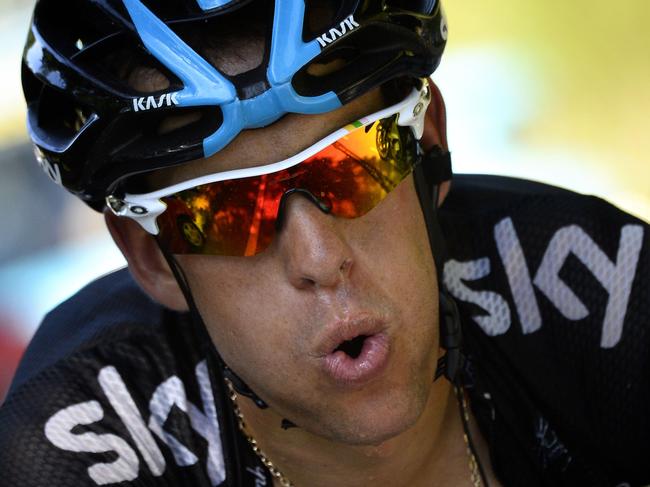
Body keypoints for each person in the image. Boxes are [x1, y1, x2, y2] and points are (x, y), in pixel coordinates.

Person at [1, 1, 648, 486]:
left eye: (353, 164)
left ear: (426, 146)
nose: (319, 258)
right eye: (226, 209)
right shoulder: (74, 435)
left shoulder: (598, 289)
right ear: (151, 257)